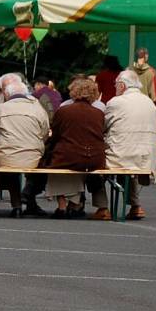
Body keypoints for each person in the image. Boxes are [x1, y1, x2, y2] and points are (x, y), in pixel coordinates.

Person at [90, 69, 156, 220]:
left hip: (122, 155)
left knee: (94, 165)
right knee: (128, 164)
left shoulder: (116, 102)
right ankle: (136, 206)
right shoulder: (149, 103)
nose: (115, 88)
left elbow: (102, 127)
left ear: (122, 86)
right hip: (145, 159)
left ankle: (102, 207)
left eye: (115, 85)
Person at [0, 79, 49, 217]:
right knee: (17, 162)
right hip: (33, 157)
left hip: (7, 157)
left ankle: (16, 206)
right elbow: (45, 133)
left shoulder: (0, 108)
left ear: (6, 94)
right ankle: (24, 202)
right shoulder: (38, 108)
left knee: (8, 163)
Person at [43, 78, 106, 218]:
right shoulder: (99, 112)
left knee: (56, 165)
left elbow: (56, 133)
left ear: (73, 92)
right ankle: (74, 203)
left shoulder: (64, 110)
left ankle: (62, 205)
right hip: (95, 157)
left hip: (69, 155)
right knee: (78, 163)